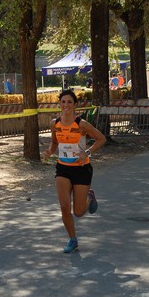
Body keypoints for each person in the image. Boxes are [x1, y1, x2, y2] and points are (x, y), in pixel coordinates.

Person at [43, 89, 106, 253]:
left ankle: (89, 197)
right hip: (62, 168)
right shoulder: (54, 123)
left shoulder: (81, 124)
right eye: (63, 102)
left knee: (78, 212)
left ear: (75, 105)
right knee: (64, 207)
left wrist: (87, 153)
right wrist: (50, 151)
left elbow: (101, 139)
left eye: (69, 102)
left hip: (81, 169)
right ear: (59, 104)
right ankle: (72, 239)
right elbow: (54, 142)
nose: (66, 105)